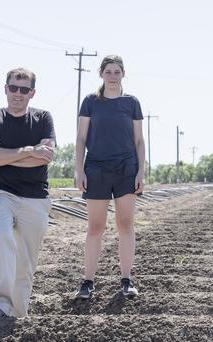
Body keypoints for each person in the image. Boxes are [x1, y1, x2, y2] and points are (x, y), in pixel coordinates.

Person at [0, 67, 56, 317]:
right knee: (0, 237)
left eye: (24, 90)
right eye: (13, 88)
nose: (18, 94)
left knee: (26, 260)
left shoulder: (43, 118)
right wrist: (28, 151)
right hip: (0, 193)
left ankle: (17, 314)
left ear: (32, 93)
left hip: (35, 197)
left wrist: (6, 155)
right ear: (5, 89)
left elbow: (44, 159)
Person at [74, 55, 145, 299]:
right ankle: (88, 282)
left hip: (126, 168)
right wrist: (79, 169)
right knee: (95, 227)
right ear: (101, 74)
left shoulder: (131, 102)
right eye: (108, 72)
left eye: (117, 71)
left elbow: (139, 140)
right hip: (96, 169)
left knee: (125, 225)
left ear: (123, 74)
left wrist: (141, 171)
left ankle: (126, 280)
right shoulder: (91, 102)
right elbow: (81, 138)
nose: (112, 76)